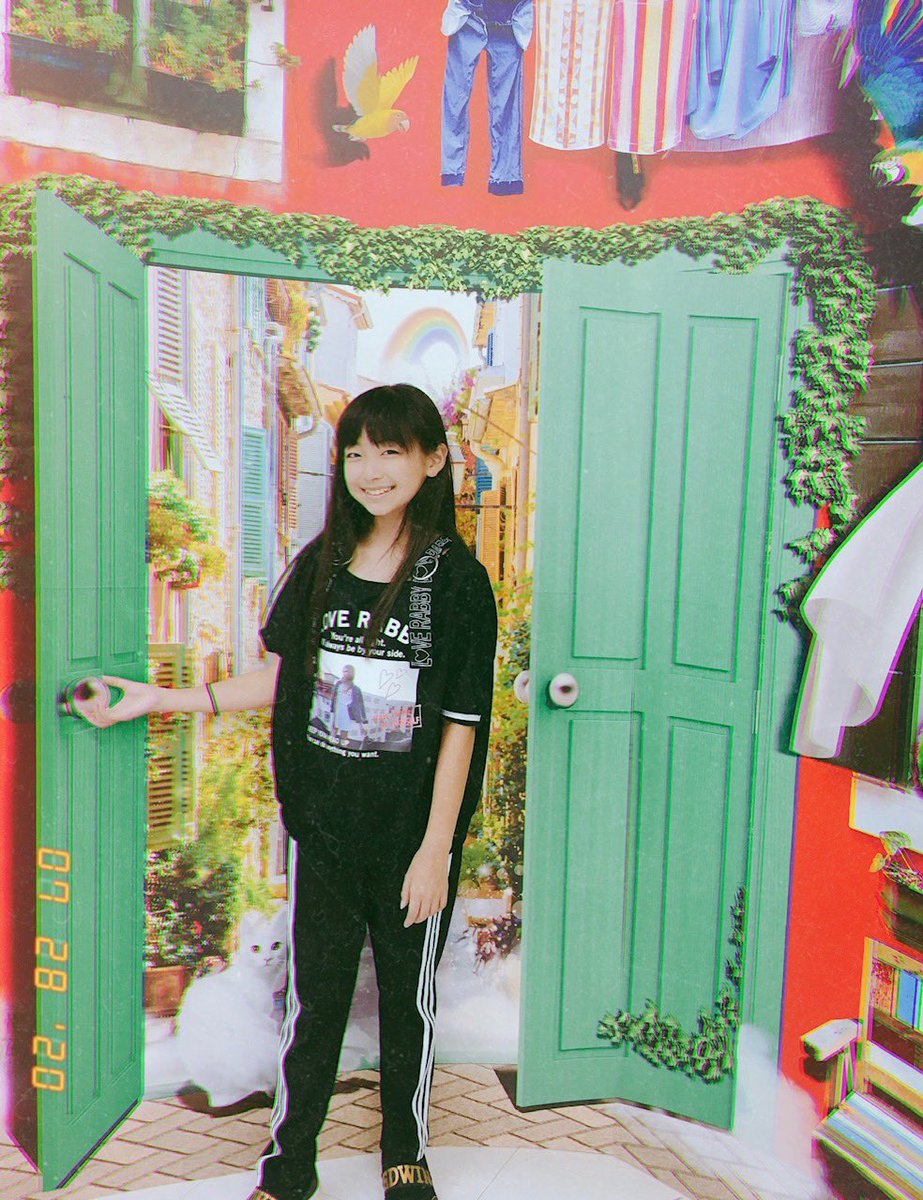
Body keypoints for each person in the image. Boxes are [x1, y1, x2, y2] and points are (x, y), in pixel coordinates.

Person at [87, 384, 498, 1200]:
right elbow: (281, 679)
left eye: (389, 451)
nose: (369, 470)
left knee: (408, 1007)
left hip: (408, 837)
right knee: (316, 1004)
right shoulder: (323, 563)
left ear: (432, 460)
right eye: (355, 453)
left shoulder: (456, 580)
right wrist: (164, 698)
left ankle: (404, 1151)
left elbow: (461, 725)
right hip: (326, 829)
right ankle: (291, 1162)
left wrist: (435, 853)